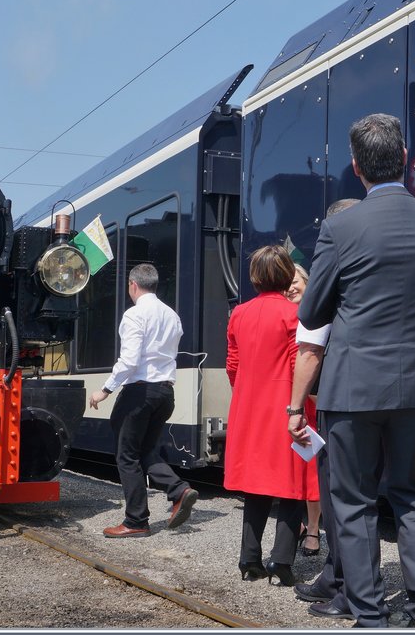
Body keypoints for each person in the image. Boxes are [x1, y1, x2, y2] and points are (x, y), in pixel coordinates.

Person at [290, 113, 415, 628]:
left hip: (355, 384)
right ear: (404, 160)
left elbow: (312, 312)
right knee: (410, 492)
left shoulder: (340, 228)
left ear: (357, 167)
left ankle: (370, 614)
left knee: (355, 501)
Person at [224, 245, 316, 587]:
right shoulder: (294, 314)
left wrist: (247, 392)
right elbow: (298, 364)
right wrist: (300, 405)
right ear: (284, 276)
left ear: (254, 277)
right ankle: (281, 562)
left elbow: (233, 365)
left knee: (255, 486)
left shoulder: (239, 314)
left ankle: (249, 559)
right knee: (292, 484)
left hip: (247, 405)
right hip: (285, 403)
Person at [288, 199, 361, 622]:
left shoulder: (336, 277)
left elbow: (311, 347)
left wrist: (294, 407)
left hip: (341, 398)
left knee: (342, 499)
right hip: (371, 396)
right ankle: (334, 574)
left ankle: (347, 585)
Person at [89, 263, 198, 538]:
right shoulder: (172, 316)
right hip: (165, 393)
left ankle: (136, 521)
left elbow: (129, 360)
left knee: (126, 456)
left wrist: (105, 390)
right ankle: (178, 489)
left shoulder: (134, 315)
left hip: (139, 393)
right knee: (145, 451)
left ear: (132, 285)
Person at [286, 263, 323, 556]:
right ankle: (294, 525)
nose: (291, 287)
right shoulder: (285, 315)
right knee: (291, 468)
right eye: (286, 282)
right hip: (288, 402)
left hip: (311, 401)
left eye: (296, 281)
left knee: (312, 470)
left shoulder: (315, 312)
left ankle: (313, 529)